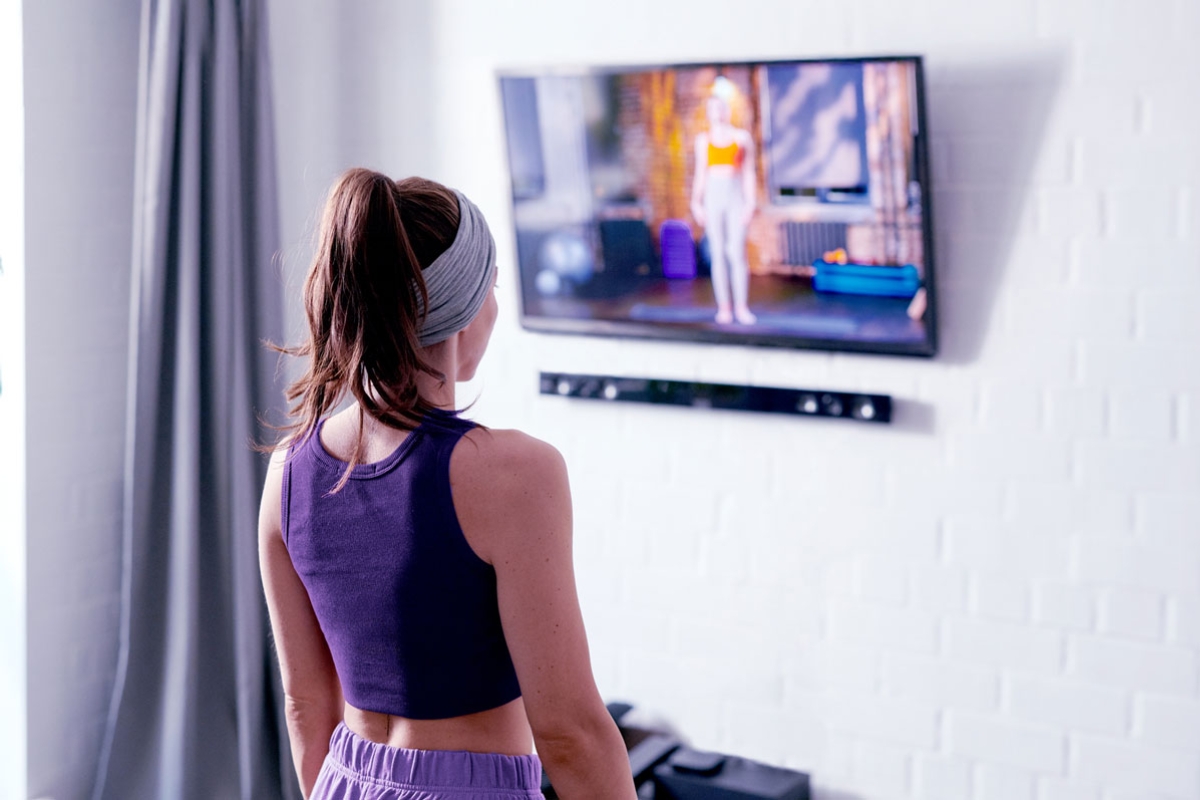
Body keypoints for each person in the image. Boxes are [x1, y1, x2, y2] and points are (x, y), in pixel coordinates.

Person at [257, 168, 637, 800]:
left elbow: (304, 706)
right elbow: (570, 733)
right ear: (463, 312)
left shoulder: (288, 473)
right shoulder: (515, 474)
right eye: (491, 288)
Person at [689, 77, 758, 326]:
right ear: (708, 113)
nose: (717, 113)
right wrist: (695, 203)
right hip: (713, 197)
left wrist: (751, 202)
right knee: (717, 253)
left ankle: (742, 306)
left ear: (727, 110)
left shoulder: (742, 138)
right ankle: (724, 308)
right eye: (712, 109)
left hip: (735, 196)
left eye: (720, 108)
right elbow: (700, 174)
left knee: (736, 252)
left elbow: (749, 172)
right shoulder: (703, 141)